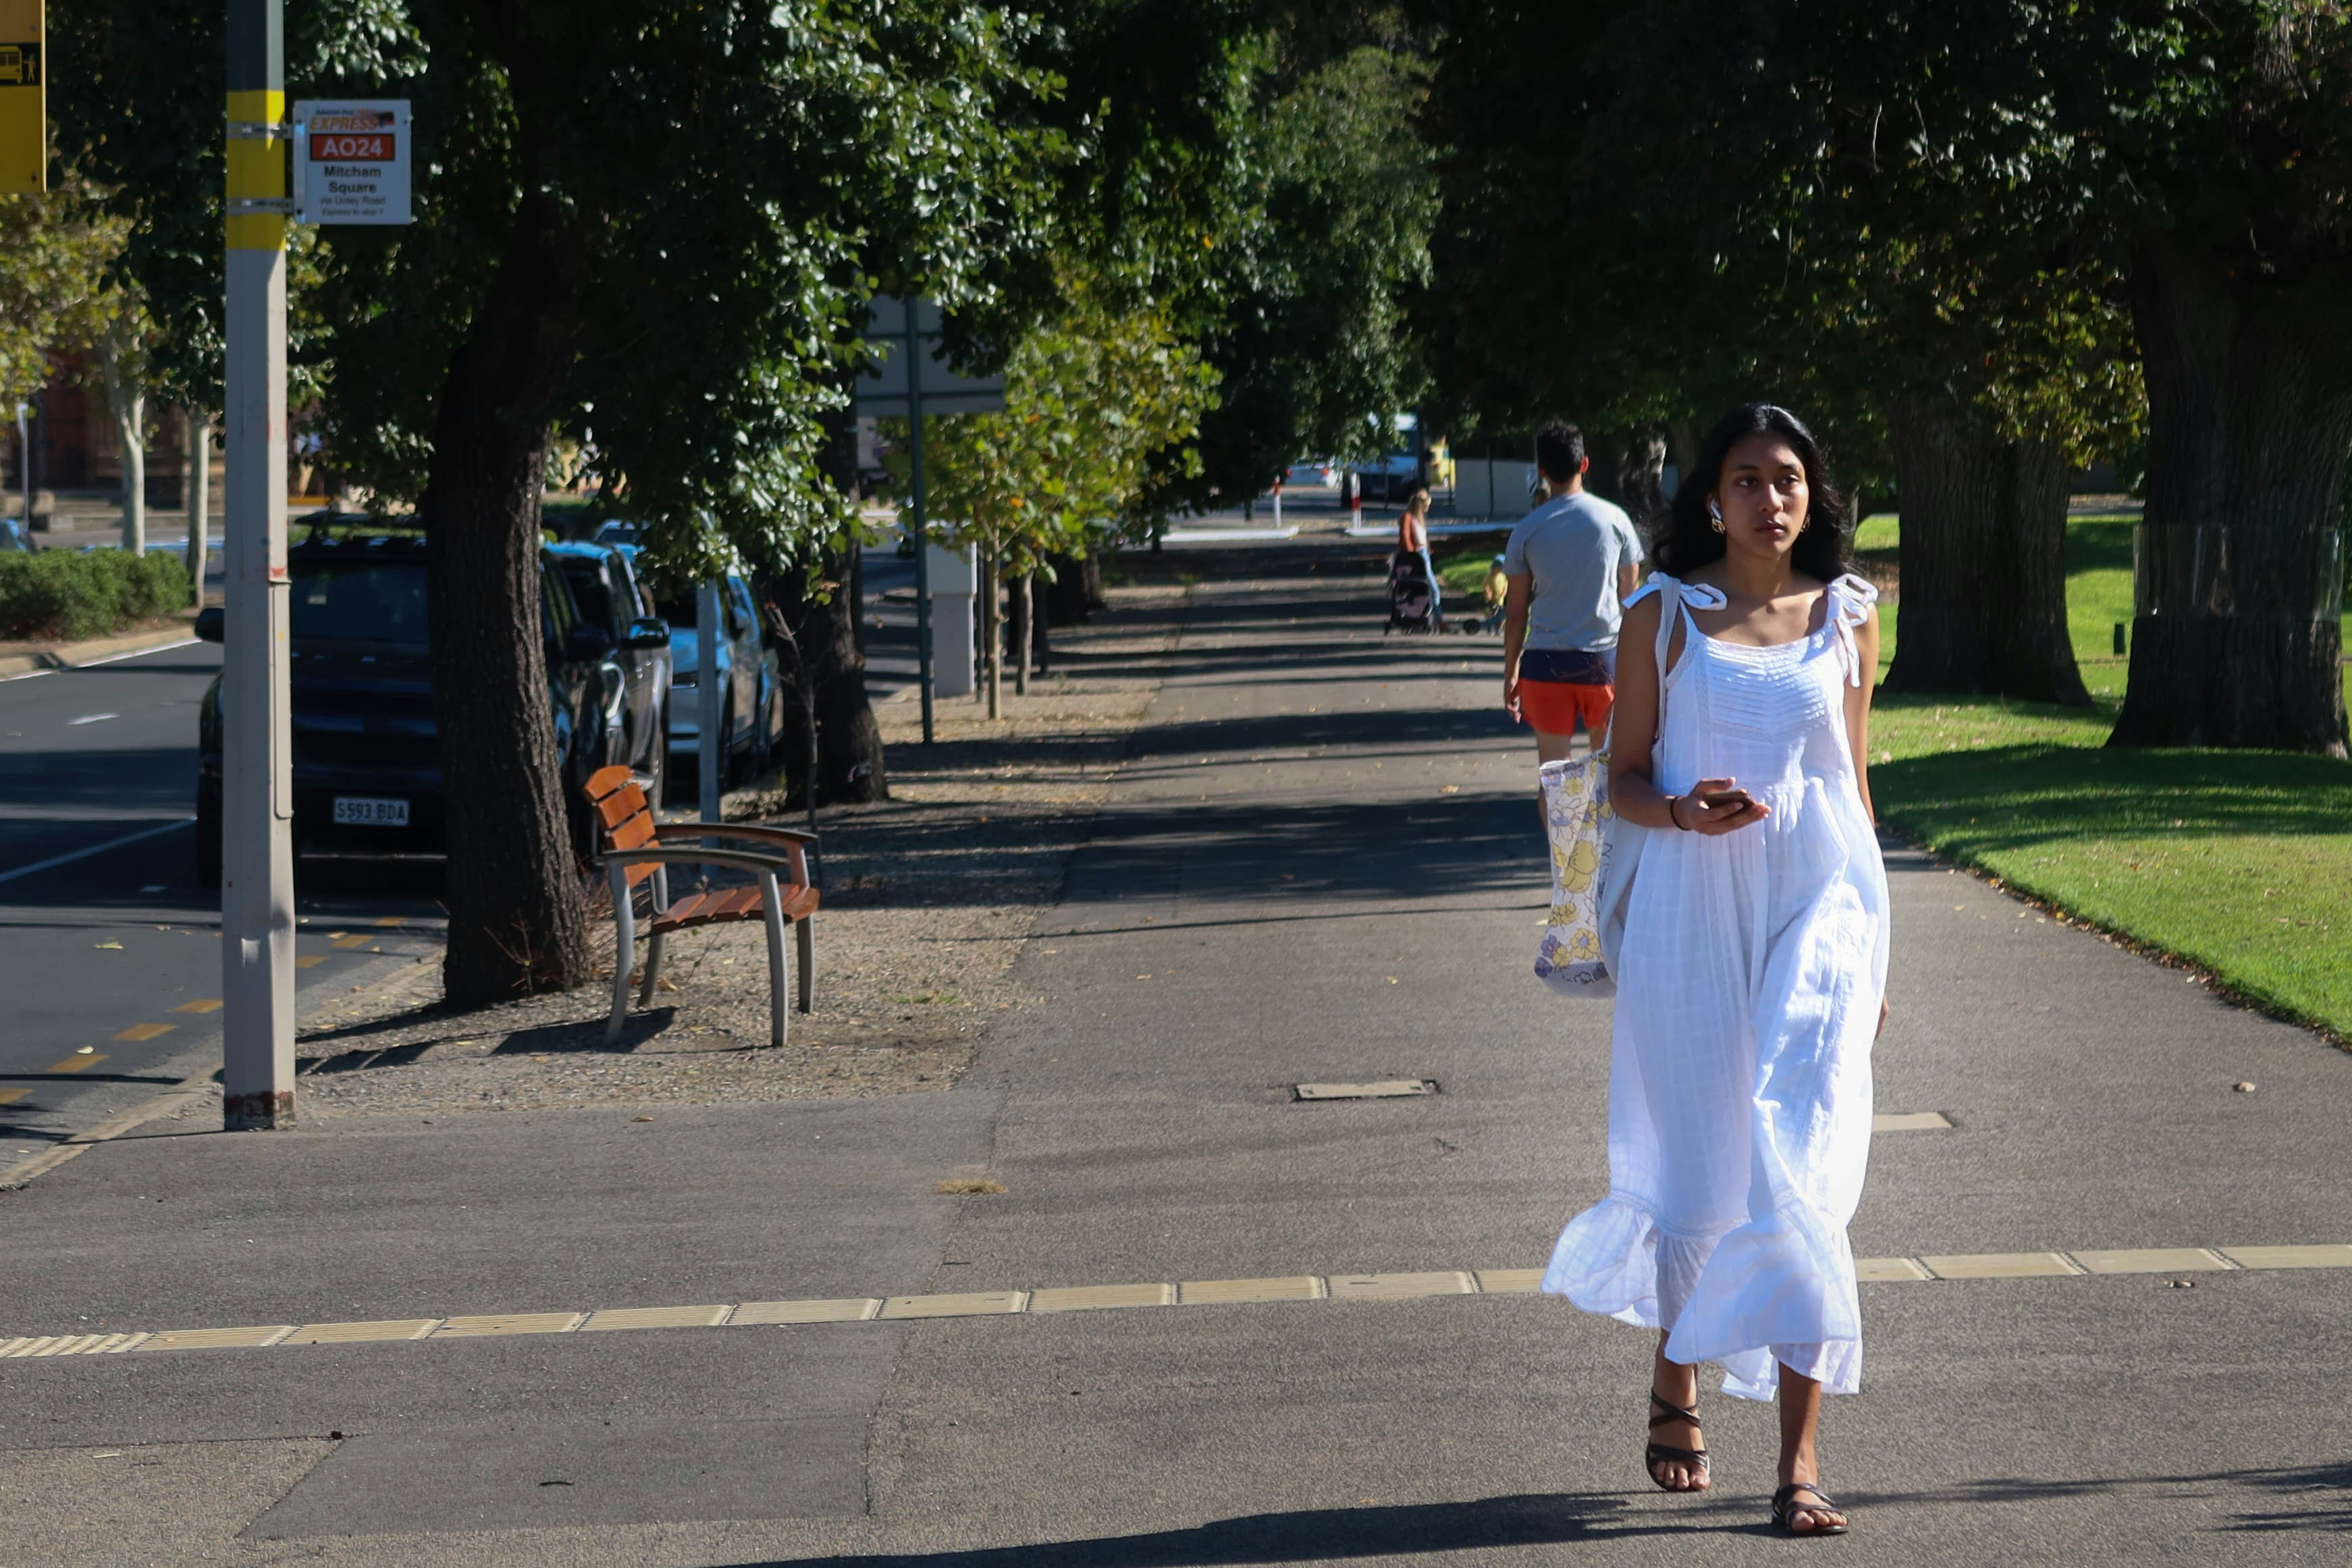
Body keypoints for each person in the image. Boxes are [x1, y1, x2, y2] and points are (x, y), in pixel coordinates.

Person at [1542, 404, 1888, 1537]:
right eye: (1746, 478)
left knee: (1799, 1167)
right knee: (1701, 1177)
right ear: (1711, 497)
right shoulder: (1661, 614)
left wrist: (1876, 957)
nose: (1769, 498)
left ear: (1810, 495)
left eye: (1787, 478)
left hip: (1817, 907)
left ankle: (1799, 1459)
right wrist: (1684, 811)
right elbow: (1622, 778)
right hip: (1690, 911)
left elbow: (1852, 785)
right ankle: (1676, 1365)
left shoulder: (1848, 614)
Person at [1501, 422, 1643, 759]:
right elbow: (1632, 602)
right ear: (1585, 464)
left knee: (1554, 774)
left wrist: (1511, 671)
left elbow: (1516, 612)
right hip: (1603, 660)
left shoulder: (1527, 530)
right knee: (1607, 768)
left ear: (1542, 471)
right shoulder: (1616, 520)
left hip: (1544, 662)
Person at [1397, 487, 1443, 628]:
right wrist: (1411, 555)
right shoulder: (1408, 517)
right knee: (1434, 589)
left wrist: (1427, 548)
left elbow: (1422, 537)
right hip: (1417, 555)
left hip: (1423, 553)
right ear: (1420, 504)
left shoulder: (1419, 518)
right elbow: (1405, 537)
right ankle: (1439, 621)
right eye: (1426, 505)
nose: (1428, 508)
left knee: (1429, 588)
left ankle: (1435, 619)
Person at [1476, 553, 1509, 634]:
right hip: (1491, 599)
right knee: (1492, 613)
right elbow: (1485, 585)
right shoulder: (1489, 577)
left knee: (1500, 614)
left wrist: (1505, 591)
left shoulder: (1502, 576)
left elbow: (1506, 584)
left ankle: (1498, 627)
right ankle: (1490, 627)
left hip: (1500, 598)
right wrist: (1488, 591)